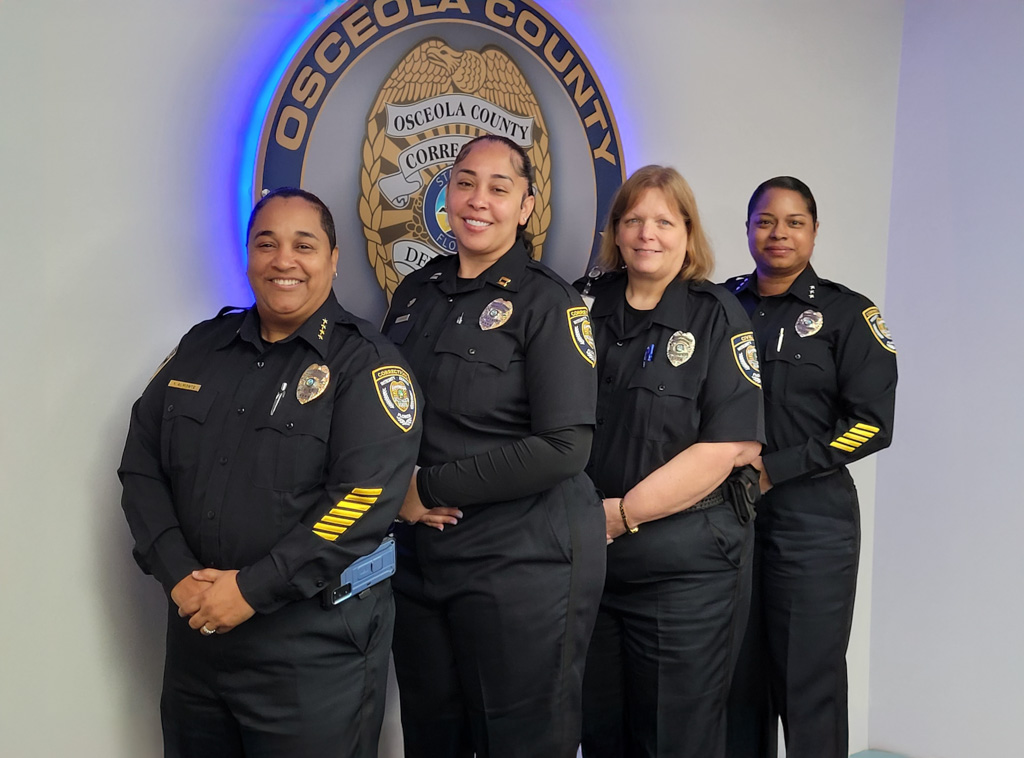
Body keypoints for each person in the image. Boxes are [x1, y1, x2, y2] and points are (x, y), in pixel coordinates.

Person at [118, 188, 422, 757]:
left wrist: (250, 591)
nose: (284, 260)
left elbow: (360, 504)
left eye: (303, 245)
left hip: (311, 655)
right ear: (249, 256)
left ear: (333, 259)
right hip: (197, 641)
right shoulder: (202, 347)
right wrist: (177, 572)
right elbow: (140, 464)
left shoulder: (367, 365)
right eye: (267, 244)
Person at [380, 134, 606, 758]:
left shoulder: (548, 302)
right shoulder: (415, 294)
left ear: (527, 206)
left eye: (499, 188)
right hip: (424, 562)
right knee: (432, 736)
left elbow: (565, 446)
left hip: (523, 563)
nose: (479, 200)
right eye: (465, 182)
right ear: (445, 194)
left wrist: (424, 489)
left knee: (520, 743)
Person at [577, 165, 765, 758]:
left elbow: (729, 446)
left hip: (684, 572)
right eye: (632, 220)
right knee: (599, 730)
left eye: (663, 220)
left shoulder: (716, 314)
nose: (646, 233)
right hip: (590, 568)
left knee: (672, 740)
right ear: (615, 231)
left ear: (688, 231)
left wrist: (620, 515)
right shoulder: (583, 304)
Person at [724, 176, 898, 758]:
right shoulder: (719, 306)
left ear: (815, 232)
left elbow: (873, 423)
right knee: (734, 686)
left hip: (813, 525)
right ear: (747, 228)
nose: (778, 234)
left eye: (794, 222)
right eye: (765, 221)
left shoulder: (850, 314)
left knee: (808, 686)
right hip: (726, 520)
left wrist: (779, 469)